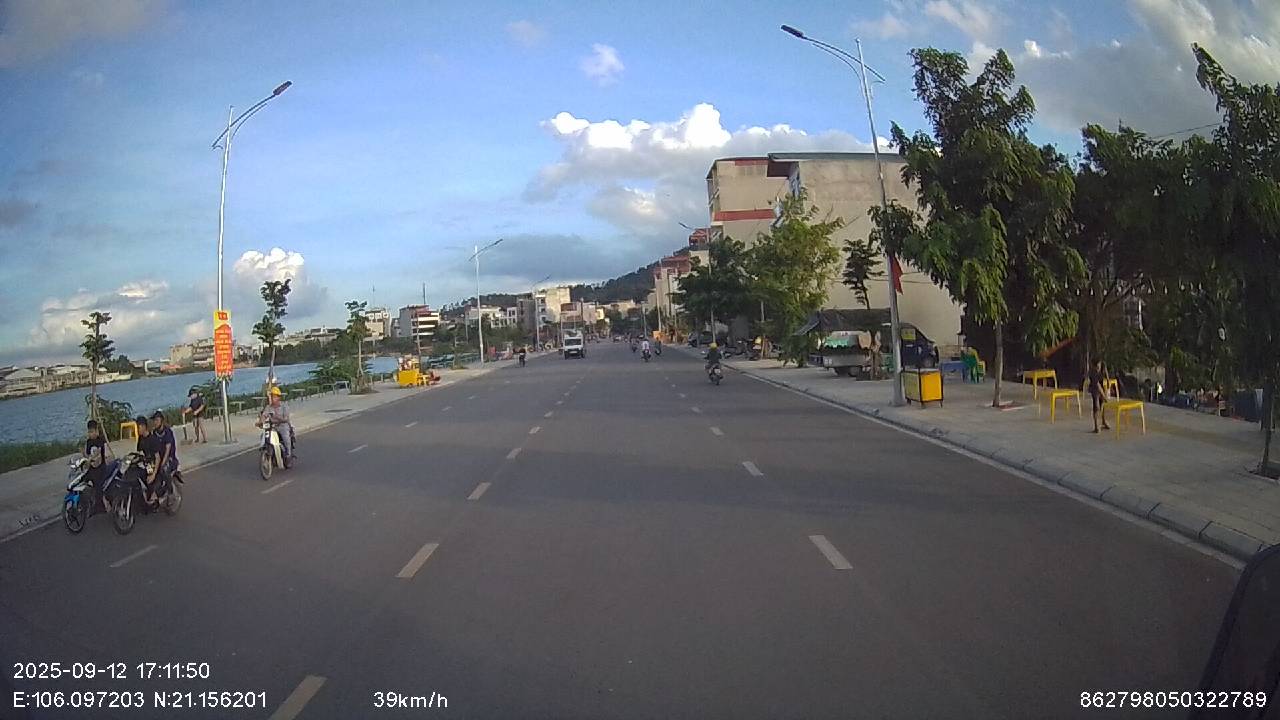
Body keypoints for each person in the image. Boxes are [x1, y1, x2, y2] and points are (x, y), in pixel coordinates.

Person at [83, 419, 115, 513]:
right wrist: (85, 457)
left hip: (101, 468)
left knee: (98, 484)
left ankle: (100, 506)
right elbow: (87, 454)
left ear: (97, 431)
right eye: (89, 432)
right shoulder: (88, 442)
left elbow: (98, 453)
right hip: (92, 468)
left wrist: (91, 458)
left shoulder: (100, 441)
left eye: (92, 431)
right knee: (84, 479)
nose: (91, 434)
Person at [256, 386, 294, 460]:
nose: (272, 398)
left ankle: (288, 454)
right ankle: (267, 450)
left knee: (286, 437)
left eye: (274, 397)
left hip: (283, 426)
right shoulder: (268, 407)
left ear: (278, 397)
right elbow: (264, 416)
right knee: (263, 435)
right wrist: (260, 422)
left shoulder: (284, 406)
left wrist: (277, 417)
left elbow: (286, 419)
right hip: (272, 427)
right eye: (271, 396)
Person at [134, 415, 163, 506]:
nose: (137, 429)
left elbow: (158, 458)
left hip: (153, 464)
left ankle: (155, 496)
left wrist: (153, 474)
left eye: (138, 427)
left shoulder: (152, 439)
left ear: (143, 426)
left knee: (150, 479)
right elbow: (139, 452)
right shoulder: (141, 438)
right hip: (146, 463)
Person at [150, 410, 178, 499]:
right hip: (159, 459)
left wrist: (162, 463)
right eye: (154, 420)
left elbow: (168, 449)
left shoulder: (167, 432)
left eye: (157, 420)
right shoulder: (154, 433)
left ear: (161, 421)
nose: (155, 422)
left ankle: (170, 492)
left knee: (164, 470)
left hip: (170, 458)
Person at [1088, 359, 1112, 434]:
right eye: (1096, 368)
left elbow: (1106, 371)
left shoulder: (1103, 366)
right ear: (1093, 366)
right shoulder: (1092, 373)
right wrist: (1104, 396)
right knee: (1096, 406)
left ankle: (1103, 421)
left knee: (1103, 405)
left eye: (1099, 367)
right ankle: (1096, 426)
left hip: (1101, 385)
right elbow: (1098, 386)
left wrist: (1108, 381)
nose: (1098, 369)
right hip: (1094, 388)